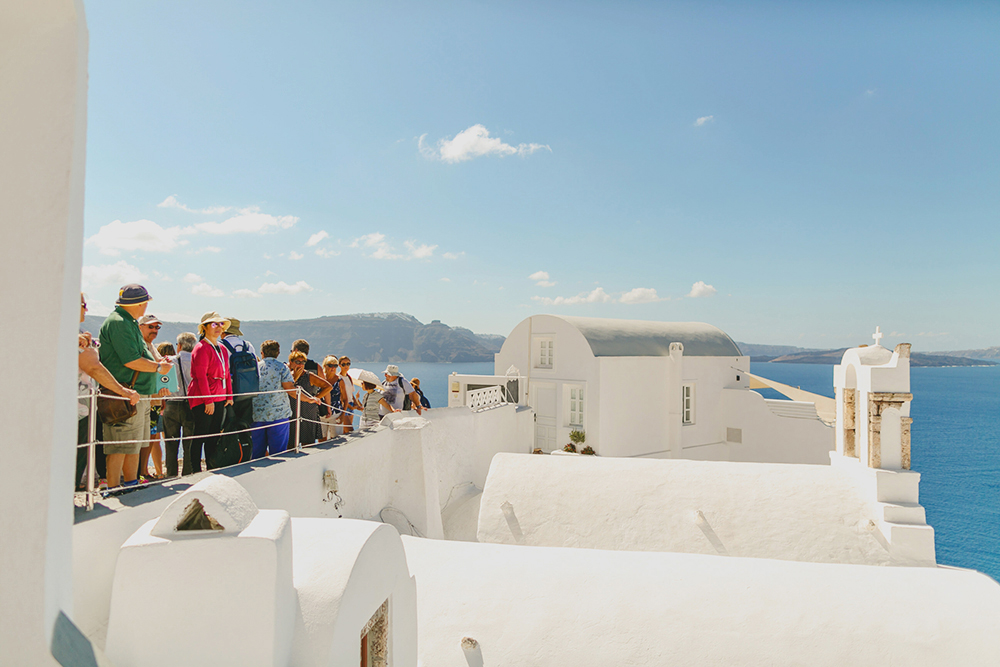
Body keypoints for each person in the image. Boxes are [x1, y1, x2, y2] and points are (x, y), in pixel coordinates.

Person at [98, 284, 173, 488]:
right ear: (140, 303)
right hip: (125, 393)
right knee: (120, 445)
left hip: (137, 393)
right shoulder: (119, 323)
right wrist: (159, 368)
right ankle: (115, 488)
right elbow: (130, 360)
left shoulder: (127, 321)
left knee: (132, 445)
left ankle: (131, 484)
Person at [77, 293, 140, 491]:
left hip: (81, 408)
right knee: (74, 457)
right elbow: (94, 368)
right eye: (84, 305)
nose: (86, 309)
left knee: (77, 457)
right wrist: (123, 391)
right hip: (74, 409)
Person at [188, 312, 233, 471]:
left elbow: (227, 373)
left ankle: (212, 467)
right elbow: (201, 376)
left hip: (219, 396)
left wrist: (229, 394)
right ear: (205, 328)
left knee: (214, 434)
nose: (218, 328)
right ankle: (195, 469)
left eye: (220, 324)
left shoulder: (222, 348)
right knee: (200, 434)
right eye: (214, 324)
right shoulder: (201, 348)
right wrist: (208, 400)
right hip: (203, 398)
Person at [251, 340, 297, 458]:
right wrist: (310, 399)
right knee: (279, 453)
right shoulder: (282, 367)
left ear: (262, 353)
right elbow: (290, 388)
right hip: (278, 415)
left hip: (257, 414)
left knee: (256, 453)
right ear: (278, 353)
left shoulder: (255, 367)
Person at [220, 317, 257, 460]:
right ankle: (246, 454)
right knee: (245, 426)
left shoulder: (221, 345)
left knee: (228, 427)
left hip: (229, 394)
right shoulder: (248, 345)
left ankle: (230, 456)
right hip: (248, 392)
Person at [163, 332, 197, 476]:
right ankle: (188, 472)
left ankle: (171, 473)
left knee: (171, 442)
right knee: (189, 442)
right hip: (190, 404)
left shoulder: (169, 361)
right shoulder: (197, 360)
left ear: (180, 346)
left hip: (171, 403)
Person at [137, 314, 166, 480]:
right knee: (146, 436)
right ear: (140, 327)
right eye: (151, 327)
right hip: (145, 398)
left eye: (157, 327)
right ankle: (141, 472)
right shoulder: (141, 346)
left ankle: (144, 471)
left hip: (155, 399)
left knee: (152, 436)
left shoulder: (151, 345)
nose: (154, 330)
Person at [287, 350, 331, 449]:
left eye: (303, 362)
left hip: (308, 412)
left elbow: (328, 387)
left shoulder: (309, 376)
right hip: (292, 413)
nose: (301, 364)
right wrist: (294, 377)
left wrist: (316, 398)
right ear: (291, 362)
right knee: (290, 445)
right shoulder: (287, 375)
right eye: (298, 362)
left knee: (308, 444)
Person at [336, 356, 358, 434]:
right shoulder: (338, 378)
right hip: (344, 406)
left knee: (346, 432)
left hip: (351, 405)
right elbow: (340, 396)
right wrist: (348, 406)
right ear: (339, 365)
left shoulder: (349, 377)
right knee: (349, 431)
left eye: (348, 364)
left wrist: (356, 404)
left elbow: (351, 393)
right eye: (343, 364)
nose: (346, 366)